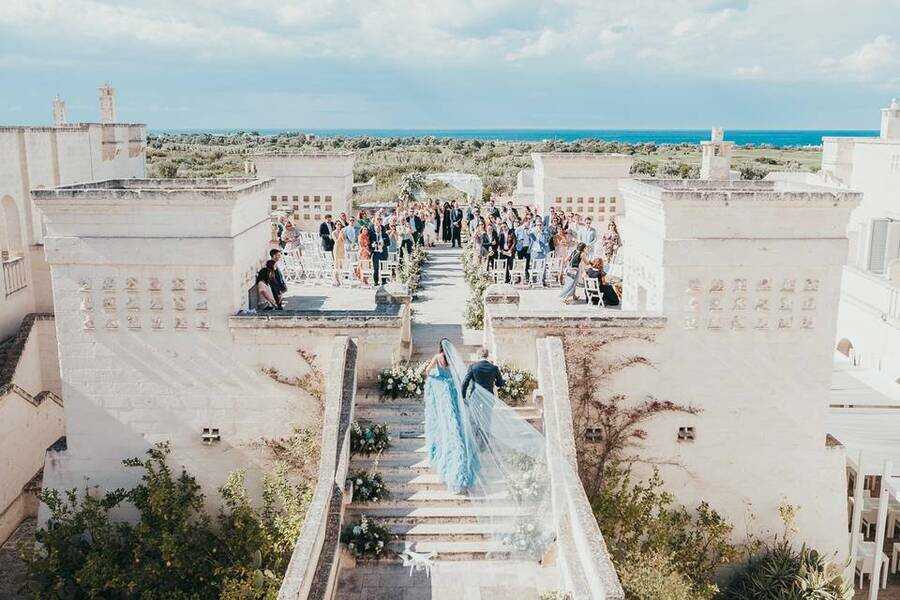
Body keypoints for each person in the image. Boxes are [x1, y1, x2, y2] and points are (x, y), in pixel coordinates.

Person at [423, 340, 479, 494]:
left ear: (440, 347)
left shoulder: (437, 357)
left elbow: (427, 372)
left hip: (442, 391)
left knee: (445, 419)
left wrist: (435, 375)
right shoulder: (452, 359)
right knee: (456, 418)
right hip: (453, 389)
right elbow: (458, 375)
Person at [460, 347, 505, 451]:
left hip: (475, 397)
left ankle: (474, 440)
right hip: (488, 398)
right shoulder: (494, 368)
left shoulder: (473, 367)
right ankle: (484, 443)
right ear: (487, 355)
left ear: (479, 355)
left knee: (473, 418)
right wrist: (503, 382)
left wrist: (463, 397)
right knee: (487, 419)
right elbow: (499, 383)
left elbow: (465, 383)